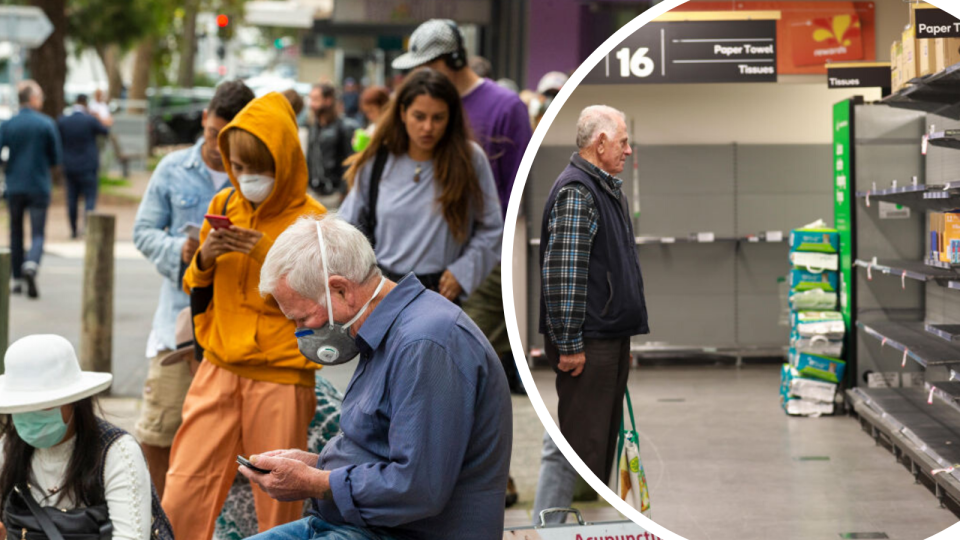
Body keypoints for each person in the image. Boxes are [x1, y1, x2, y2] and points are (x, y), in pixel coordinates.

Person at [242, 214, 512, 540]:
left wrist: (313, 481)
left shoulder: (425, 343)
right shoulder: (388, 330)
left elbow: (418, 487)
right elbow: (381, 451)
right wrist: (317, 464)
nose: (301, 331)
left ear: (340, 290)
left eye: (303, 318)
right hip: (354, 523)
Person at [160, 92, 326, 540]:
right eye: (240, 165)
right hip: (217, 367)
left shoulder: (313, 221)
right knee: (183, 488)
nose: (247, 177)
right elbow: (194, 286)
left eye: (259, 167)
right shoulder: (225, 203)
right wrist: (206, 258)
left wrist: (265, 255)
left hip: (280, 375)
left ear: (285, 161)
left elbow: (321, 304)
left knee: (280, 503)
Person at [392, 19, 532, 392]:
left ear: (452, 59)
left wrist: (479, 259)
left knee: (458, 354)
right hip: (427, 257)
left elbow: (517, 190)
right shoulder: (422, 105)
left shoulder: (505, 106)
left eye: (427, 65)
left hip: (484, 253)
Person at [132, 80, 255, 497]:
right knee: (158, 429)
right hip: (178, 324)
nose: (219, 147)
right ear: (203, 119)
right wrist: (180, 250)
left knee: (233, 442)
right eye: (212, 134)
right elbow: (143, 231)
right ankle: (158, 520)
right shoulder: (172, 168)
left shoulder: (256, 176)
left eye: (229, 138)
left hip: (238, 328)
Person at [537, 105, 649, 493]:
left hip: (608, 337)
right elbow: (564, 276)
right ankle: (557, 527)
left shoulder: (603, 189)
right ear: (600, 144)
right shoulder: (577, 192)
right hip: (588, 342)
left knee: (598, 443)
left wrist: (623, 335)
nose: (628, 150)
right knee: (580, 449)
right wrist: (569, 344)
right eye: (623, 142)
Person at [339, 68, 502, 304]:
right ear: (403, 113)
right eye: (419, 116)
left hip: (439, 292)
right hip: (382, 289)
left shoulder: (469, 159)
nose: (428, 127)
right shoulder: (379, 159)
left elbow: (492, 227)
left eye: (438, 118)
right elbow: (346, 225)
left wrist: (463, 272)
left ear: (450, 118)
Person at [0, 334, 173, 540]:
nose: (31, 415)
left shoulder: (118, 453)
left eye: (42, 405)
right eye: (22, 407)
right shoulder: (7, 449)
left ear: (73, 401)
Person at [0, 80, 62, 299]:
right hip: (38, 185)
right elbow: (56, 158)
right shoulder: (46, 124)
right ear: (34, 99)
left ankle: (16, 278)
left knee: (15, 232)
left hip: (15, 185)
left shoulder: (8, 124)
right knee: (37, 232)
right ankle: (32, 264)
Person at [57, 94, 111, 239]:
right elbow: (105, 131)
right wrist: (98, 116)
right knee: (90, 198)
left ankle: (73, 230)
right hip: (88, 165)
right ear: (86, 104)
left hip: (69, 165)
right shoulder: (90, 120)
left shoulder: (63, 120)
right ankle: (88, 228)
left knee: (72, 199)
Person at [307, 82, 359, 197]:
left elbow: (350, 162)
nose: (312, 104)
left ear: (328, 100)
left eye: (316, 99)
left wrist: (343, 191)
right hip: (314, 192)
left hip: (335, 195)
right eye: (311, 99)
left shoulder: (345, 127)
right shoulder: (313, 127)